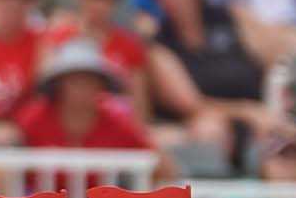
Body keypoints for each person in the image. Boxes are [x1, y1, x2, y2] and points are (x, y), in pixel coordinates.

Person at [146, 0, 282, 158]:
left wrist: (271, 109)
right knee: (209, 128)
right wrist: (249, 111)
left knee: (285, 132)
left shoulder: (232, 17)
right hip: (203, 125)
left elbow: (276, 55)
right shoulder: (159, 44)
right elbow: (193, 105)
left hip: (254, 118)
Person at [13, 35, 178, 184]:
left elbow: (163, 166)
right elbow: (6, 161)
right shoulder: (35, 117)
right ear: (59, 84)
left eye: (89, 79)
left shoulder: (116, 123)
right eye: (74, 79)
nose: (82, 87)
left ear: (101, 85)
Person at [43, 0, 149, 118]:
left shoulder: (130, 45)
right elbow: (45, 98)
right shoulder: (57, 38)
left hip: (115, 132)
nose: (100, 1)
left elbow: (140, 111)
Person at [0, 0, 41, 141]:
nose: (12, 3)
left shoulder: (41, 44)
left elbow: (41, 104)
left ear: (31, 2)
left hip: (20, 142)